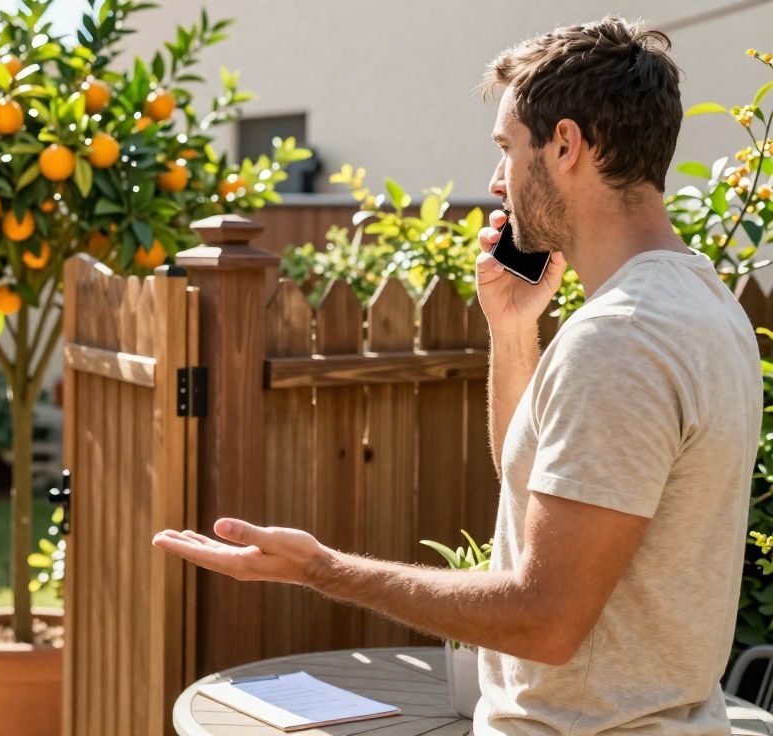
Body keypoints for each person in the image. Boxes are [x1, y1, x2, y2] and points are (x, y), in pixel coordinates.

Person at [153, 17, 763, 735]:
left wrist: (322, 569)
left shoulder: (620, 338)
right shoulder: (704, 304)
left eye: (508, 148)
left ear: (566, 145)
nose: (496, 180)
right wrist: (512, 329)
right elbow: (538, 482)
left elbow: (543, 620)